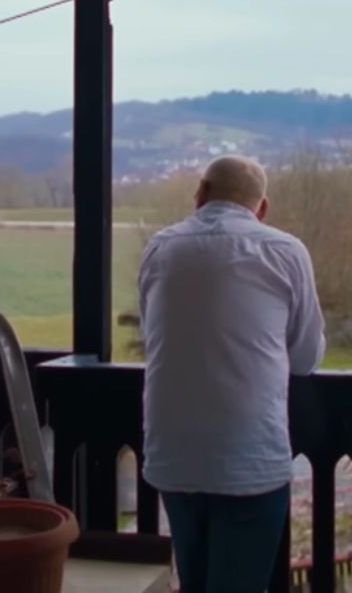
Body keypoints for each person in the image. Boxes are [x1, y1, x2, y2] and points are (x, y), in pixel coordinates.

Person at [138, 155, 326, 593]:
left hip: (174, 455)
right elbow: (305, 357)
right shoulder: (285, 252)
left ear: (200, 193)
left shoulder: (160, 248)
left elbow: (154, 335)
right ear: (262, 208)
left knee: (194, 579)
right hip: (250, 457)